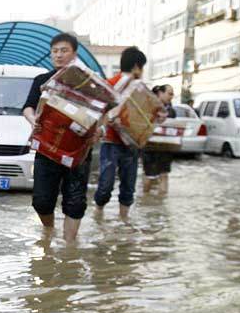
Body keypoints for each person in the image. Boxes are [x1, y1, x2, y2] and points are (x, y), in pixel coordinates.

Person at [22, 32, 93, 242]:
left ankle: (70, 247)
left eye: (64, 50)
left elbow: (101, 111)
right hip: (47, 148)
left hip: (77, 151)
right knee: (42, 201)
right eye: (55, 51)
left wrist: (99, 129)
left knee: (75, 201)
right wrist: (33, 119)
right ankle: (49, 231)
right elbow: (27, 107)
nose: (59, 55)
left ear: (74, 54)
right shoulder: (43, 81)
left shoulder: (87, 83)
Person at [94, 46, 150, 222]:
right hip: (113, 141)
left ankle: (106, 217)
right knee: (122, 183)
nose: (141, 72)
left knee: (114, 182)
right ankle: (112, 216)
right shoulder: (115, 84)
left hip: (128, 142)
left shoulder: (137, 86)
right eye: (141, 68)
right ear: (136, 66)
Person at [142, 84, 176, 195]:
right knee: (149, 176)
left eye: (172, 94)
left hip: (166, 147)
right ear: (160, 93)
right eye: (169, 93)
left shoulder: (171, 111)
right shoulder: (149, 107)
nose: (171, 96)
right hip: (149, 147)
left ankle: (161, 205)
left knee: (164, 175)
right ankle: (145, 201)